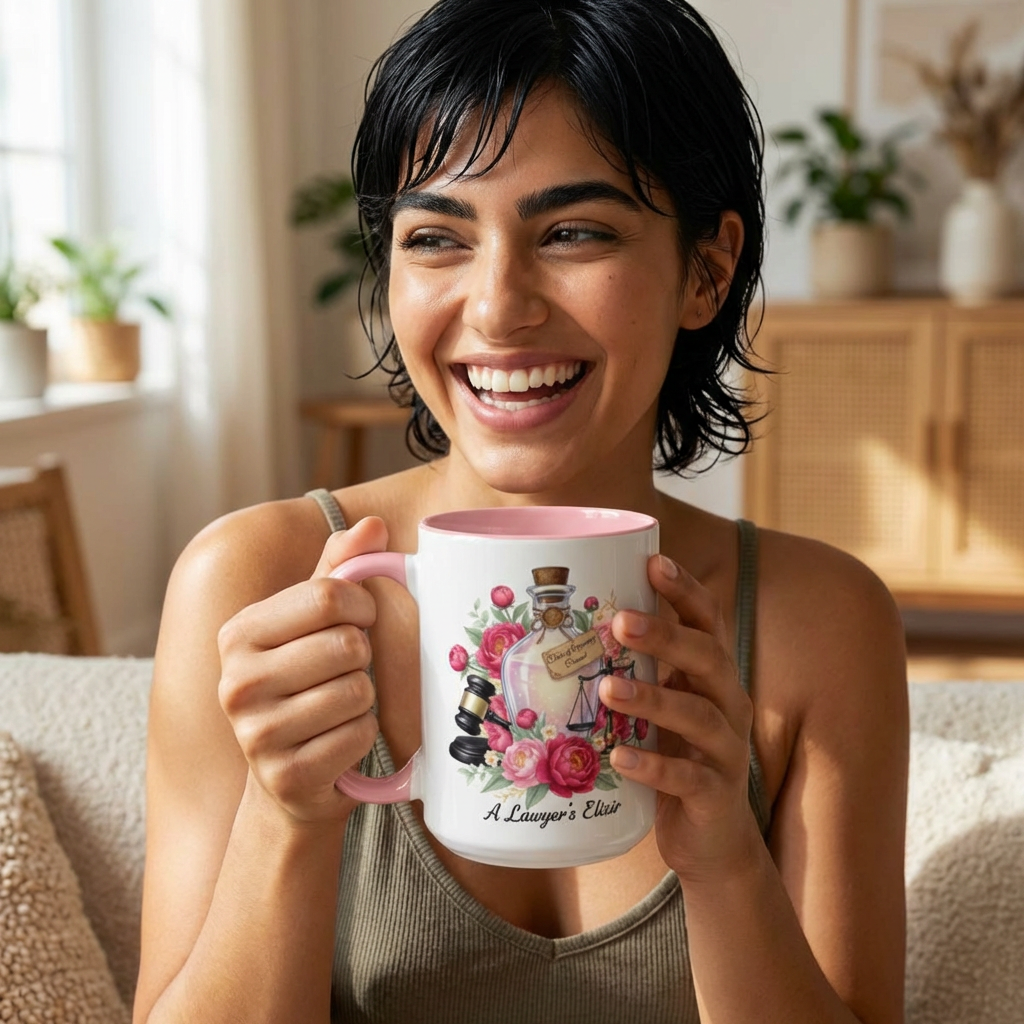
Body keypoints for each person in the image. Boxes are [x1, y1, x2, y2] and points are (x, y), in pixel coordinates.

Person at [134, 1, 909, 1022]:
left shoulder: (821, 623)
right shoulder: (252, 584)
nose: (498, 306)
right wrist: (285, 818)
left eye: (574, 231)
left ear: (706, 269)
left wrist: (725, 864)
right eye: (436, 238)